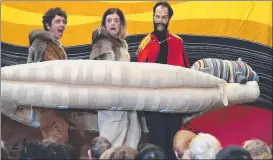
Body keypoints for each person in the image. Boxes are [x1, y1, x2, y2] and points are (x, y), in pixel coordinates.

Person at [136, 2, 190, 159]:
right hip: (154, 106)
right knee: (157, 145)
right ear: (153, 17)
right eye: (157, 16)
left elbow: (187, 71)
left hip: (175, 105)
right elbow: (140, 76)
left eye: (164, 17)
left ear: (169, 19)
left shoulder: (178, 42)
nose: (160, 20)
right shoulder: (145, 43)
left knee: (174, 145)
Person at [27, 7, 81, 144]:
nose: (62, 24)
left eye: (63, 21)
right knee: (56, 141)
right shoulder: (42, 44)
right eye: (57, 21)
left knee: (57, 139)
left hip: (55, 100)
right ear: (47, 25)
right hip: (49, 101)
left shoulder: (53, 44)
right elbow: (56, 70)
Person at [89, 8, 141, 149]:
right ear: (104, 24)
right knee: (110, 140)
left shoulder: (122, 44)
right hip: (111, 99)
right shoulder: (103, 43)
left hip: (126, 97)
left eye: (116, 20)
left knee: (130, 139)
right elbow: (105, 73)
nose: (113, 23)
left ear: (121, 24)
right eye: (109, 20)